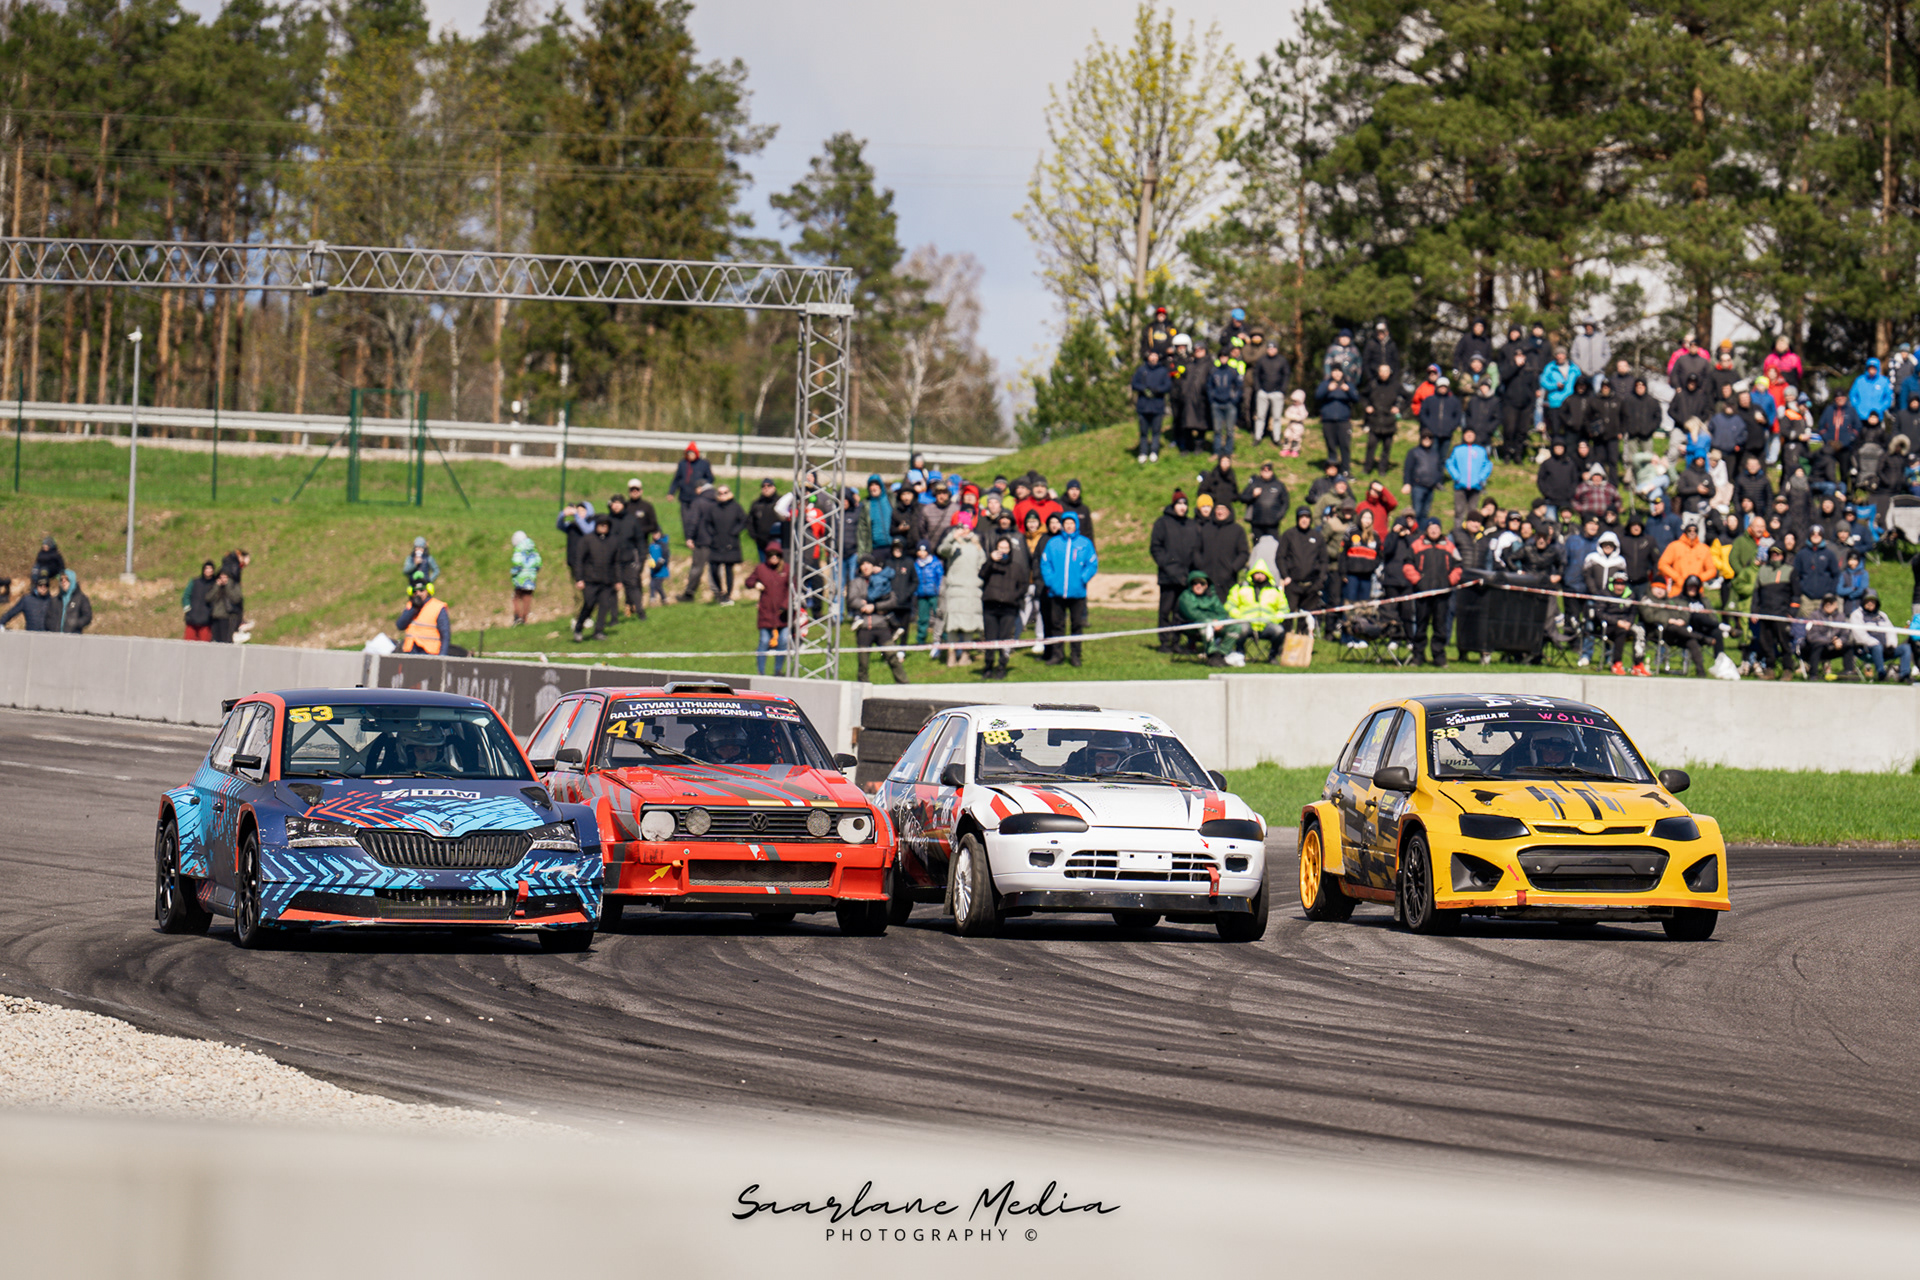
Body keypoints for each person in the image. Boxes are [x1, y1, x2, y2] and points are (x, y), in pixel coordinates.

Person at [1401, 516, 1462, 666]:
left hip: (1442, 594)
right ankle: (1418, 656)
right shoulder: (1417, 545)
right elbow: (1407, 565)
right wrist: (1418, 581)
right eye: (1431, 528)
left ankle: (1439, 657)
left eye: (1436, 528)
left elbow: (1458, 567)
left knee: (1440, 627)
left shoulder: (1449, 546)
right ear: (1426, 530)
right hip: (1423, 592)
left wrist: (1449, 581)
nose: (1434, 531)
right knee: (1420, 626)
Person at [1039, 512, 1096, 666]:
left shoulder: (1085, 543)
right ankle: (1057, 655)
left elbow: (1092, 563)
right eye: (1066, 523)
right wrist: (1051, 581)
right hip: (1056, 592)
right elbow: (1045, 563)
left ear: (1076, 525)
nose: (1069, 526)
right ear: (1062, 525)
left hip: (1077, 593)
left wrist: (1083, 578)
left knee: (1076, 625)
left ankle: (1076, 655)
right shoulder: (1053, 543)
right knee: (1057, 624)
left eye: (1072, 523)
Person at [1150, 491, 1202, 652]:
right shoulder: (1162, 523)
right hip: (1168, 576)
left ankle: (1176, 641)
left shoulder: (1192, 525)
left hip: (1185, 577)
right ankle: (1164, 642)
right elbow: (1156, 548)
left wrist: (1192, 572)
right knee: (1166, 610)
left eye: (1185, 504)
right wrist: (1169, 567)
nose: (1182, 507)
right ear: (1173, 505)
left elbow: (1197, 549)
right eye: (1179, 503)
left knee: (1180, 611)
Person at [853, 557, 912, 684]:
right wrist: (864, 606)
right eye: (863, 564)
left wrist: (875, 607)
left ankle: (904, 685)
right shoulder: (856, 582)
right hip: (864, 628)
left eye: (868, 563)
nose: (865, 567)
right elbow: (852, 600)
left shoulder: (883, 580)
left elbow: (892, 601)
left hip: (881, 626)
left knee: (892, 657)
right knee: (863, 664)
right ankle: (862, 688)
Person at [977, 533, 1027, 680]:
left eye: (1006, 548)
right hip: (991, 606)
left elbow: (1023, 586)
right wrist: (990, 560)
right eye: (1000, 547)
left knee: (1004, 638)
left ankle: (1002, 666)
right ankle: (988, 666)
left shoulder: (1016, 567)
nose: (1003, 550)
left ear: (1010, 550)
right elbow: (982, 574)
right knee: (990, 638)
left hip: (1008, 608)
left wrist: (1014, 597)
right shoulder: (990, 564)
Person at [1176, 569, 1245, 667]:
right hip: (1193, 627)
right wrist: (1212, 622)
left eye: (1202, 583)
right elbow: (1193, 614)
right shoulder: (1185, 597)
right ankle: (1211, 654)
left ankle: (1221, 654)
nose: (1198, 586)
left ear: (1206, 585)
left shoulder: (1212, 596)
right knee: (1206, 623)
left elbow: (1221, 612)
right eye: (1195, 583)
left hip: (1215, 625)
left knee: (1235, 627)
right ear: (1191, 584)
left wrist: (1219, 622)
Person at [744, 542, 793, 676]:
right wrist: (755, 584)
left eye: (776, 555)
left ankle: (778, 670)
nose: (774, 557)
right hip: (766, 612)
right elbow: (748, 582)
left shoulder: (787, 569)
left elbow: (792, 590)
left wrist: (785, 606)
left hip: (783, 614)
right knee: (764, 641)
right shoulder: (761, 569)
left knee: (783, 641)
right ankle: (761, 672)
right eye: (771, 555)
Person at [1227, 559, 1288, 663]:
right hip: (1246, 623)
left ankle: (1272, 656)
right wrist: (1239, 617)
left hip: (1267, 624)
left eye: (1262, 574)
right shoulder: (1240, 588)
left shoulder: (1276, 591)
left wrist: (1276, 619)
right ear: (1252, 574)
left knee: (1279, 630)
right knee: (1241, 629)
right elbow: (1230, 605)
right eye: (1257, 573)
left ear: (1267, 575)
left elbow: (1284, 609)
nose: (1259, 576)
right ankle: (1240, 653)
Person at [1275, 506, 1325, 634]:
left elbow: (1324, 561)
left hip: (1311, 585)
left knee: (1305, 619)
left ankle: (1302, 641)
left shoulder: (1317, 537)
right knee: (1288, 615)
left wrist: (1320, 581)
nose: (1304, 520)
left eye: (1307, 517)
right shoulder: (1288, 535)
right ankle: (1284, 640)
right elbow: (1280, 557)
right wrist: (1285, 576)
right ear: (1297, 519)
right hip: (1292, 584)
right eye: (1301, 517)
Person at [572, 513, 621, 641]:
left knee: (604, 606)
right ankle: (578, 628)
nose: (603, 527)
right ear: (596, 526)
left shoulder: (614, 541)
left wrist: (618, 580)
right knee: (589, 604)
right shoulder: (587, 540)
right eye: (601, 525)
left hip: (607, 580)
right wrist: (579, 578)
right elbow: (579, 560)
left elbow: (616, 562)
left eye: (606, 525)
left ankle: (598, 631)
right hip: (590, 580)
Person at [1636, 578, 1700, 676]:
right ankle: (1701, 637)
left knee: (1691, 641)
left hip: (1673, 633)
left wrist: (1681, 620)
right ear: (1651, 588)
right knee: (1676, 629)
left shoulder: (1670, 601)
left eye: (1662, 588)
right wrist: (1668, 620)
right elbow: (1649, 617)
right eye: (1657, 587)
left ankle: (1701, 671)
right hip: (1655, 632)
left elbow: (1679, 613)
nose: (1660, 590)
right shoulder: (1646, 600)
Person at [1751, 542, 1796, 677]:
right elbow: (1756, 593)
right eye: (1773, 553)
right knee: (1766, 642)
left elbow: (1796, 594)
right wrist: (1754, 611)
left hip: (1782, 614)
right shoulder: (1763, 570)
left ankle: (1787, 669)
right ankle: (1770, 668)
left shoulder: (1790, 570)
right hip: (1765, 613)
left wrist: (1792, 612)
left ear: (1783, 555)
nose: (1775, 556)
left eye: (1778, 554)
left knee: (1784, 642)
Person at [1195, 500, 1251, 608]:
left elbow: (1244, 553)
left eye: (1223, 509)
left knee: (1227, 609)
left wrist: (1233, 568)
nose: (1220, 512)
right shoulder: (1206, 528)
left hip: (1228, 579)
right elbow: (1196, 550)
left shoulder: (1237, 530)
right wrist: (1201, 566)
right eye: (1218, 509)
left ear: (1229, 511)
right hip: (1207, 579)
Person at [1848, 592, 1911, 683]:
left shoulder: (1882, 615)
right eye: (1868, 601)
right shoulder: (1857, 615)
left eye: (1873, 601)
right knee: (1877, 647)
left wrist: (1891, 645)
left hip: (1885, 649)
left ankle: (1904, 675)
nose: (1870, 603)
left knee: (1905, 648)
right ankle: (1881, 674)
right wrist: (1875, 643)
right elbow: (1859, 635)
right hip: (1866, 649)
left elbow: (1891, 631)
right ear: (1863, 602)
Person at [705, 484, 748, 604]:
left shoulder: (736, 507)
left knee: (729, 570)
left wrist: (734, 532)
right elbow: (707, 523)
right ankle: (720, 592)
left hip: (730, 543)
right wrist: (712, 534)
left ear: (729, 493)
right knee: (713, 568)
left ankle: (728, 595)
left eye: (725, 492)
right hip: (716, 543)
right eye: (720, 493)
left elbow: (744, 521)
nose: (722, 495)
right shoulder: (713, 508)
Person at [1131, 348, 1174, 462]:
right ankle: (1143, 452)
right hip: (1143, 406)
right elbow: (1134, 384)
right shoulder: (1141, 370)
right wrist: (1144, 389)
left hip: (1157, 406)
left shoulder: (1163, 371)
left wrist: (1157, 390)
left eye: (1155, 356)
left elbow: (1168, 386)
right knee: (1143, 432)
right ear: (1148, 357)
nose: (1153, 358)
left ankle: (1154, 451)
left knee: (1156, 431)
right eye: (1151, 356)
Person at [1361, 363, 1404, 473]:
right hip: (1374, 421)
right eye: (1382, 371)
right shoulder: (1372, 384)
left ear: (1390, 373)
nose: (1384, 374)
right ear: (1378, 373)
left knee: (1386, 448)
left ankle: (1382, 469)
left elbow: (1407, 397)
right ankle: (1367, 468)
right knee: (1371, 446)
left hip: (1389, 422)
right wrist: (1367, 406)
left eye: (1386, 371)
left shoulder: (1396, 385)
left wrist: (1399, 408)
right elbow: (1362, 395)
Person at [1445, 426, 1491, 526]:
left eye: (1471, 434)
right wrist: (1456, 477)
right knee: (1459, 511)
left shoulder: (1481, 450)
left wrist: (1481, 478)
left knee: (1472, 512)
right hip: (1460, 486)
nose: (1469, 436)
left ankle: (1471, 530)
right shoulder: (1457, 449)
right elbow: (1450, 463)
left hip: (1476, 486)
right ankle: (1457, 531)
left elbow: (1487, 465)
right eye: (1467, 434)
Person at [1315, 365, 1357, 471]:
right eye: (1334, 371)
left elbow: (1356, 399)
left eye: (1339, 371)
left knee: (1345, 446)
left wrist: (1348, 390)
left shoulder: (1348, 384)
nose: (1337, 373)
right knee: (1331, 446)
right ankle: (1333, 471)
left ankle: (1345, 470)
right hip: (1328, 420)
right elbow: (1317, 396)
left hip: (1344, 421)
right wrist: (1327, 390)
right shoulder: (1325, 384)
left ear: (1343, 373)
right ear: (1331, 373)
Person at [1801, 594, 1852, 681]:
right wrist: (1831, 641)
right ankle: (1813, 675)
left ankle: (1848, 673)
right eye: (1826, 602)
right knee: (1818, 645)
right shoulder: (1815, 615)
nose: (1828, 604)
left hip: (1833, 647)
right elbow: (1812, 636)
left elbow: (1845, 633)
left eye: (1831, 602)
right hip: (1815, 648)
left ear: (1836, 605)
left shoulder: (1841, 616)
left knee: (1848, 646)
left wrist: (1840, 641)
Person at [668, 443, 715, 538]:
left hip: (698, 498)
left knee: (696, 519)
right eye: (688, 454)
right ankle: (688, 539)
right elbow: (676, 479)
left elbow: (710, 478)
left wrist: (702, 486)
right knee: (686, 520)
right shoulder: (683, 464)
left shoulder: (704, 464)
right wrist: (671, 493)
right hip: (684, 497)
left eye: (692, 453)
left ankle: (697, 538)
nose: (690, 456)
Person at [1249, 341, 1292, 444]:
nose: (1271, 350)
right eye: (1269, 348)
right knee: (1260, 416)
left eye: (1273, 348)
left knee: (1276, 417)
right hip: (1263, 392)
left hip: (1277, 393)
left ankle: (1276, 438)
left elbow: (1286, 375)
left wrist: (1282, 390)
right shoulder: (1262, 360)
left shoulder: (1282, 360)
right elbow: (1256, 374)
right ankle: (1258, 437)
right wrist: (1258, 389)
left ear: (1276, 349)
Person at [398, 576, 452, 654]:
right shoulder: (411, 606)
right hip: (411, 652)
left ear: (428, 590)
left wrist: (442, 656)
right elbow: (400, 625)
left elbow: (445, 635)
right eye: (415, 591)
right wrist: (413, 608)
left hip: (429, 653)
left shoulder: (438, 607)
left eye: (421, 590)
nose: (418, 594)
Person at [1205, 350, 1244, 456]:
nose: (1223, 359)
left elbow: (1239, 386)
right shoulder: (1214, 371)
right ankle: (1217, 452)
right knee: (1217, 429)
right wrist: (1212, 398)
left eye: (1225, 357)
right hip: (1216, 404)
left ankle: (1228, 452)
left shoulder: (1233, 371)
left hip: (1230, 404)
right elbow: (1209, 386)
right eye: (1221, 357)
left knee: (1229, 430)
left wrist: (1234, 399)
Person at [1400, 431, 1444, 522]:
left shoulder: (1435, 453)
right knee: (1417, 512)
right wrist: (1407, 483)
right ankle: (1415, 528)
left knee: (1425, 512)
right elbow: (1408, 469)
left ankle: (1422, 528)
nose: (1427, 440)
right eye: (1424, 437)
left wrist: (1437, 480)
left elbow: (1439, 468)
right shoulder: (1414, 452)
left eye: (1429, 438)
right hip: (1418, 486)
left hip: (1430, 487)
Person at [1537, 438, 1577, 522]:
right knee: (1551, 522)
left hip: (1566, 500)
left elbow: (1574, 480)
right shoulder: (1547, 463)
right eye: (1557, 447)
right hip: (1550, 500)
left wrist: (1570, 493)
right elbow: (1541, 480)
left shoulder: (1570, 464)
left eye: (1561, 447)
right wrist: (1547, 493)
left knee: (1565, 524)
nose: (1559, 449)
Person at [509, 531, 541, 626]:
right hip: (531, 577)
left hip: (521, 577)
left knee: (516, 596)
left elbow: (517, 562)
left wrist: (514, 571)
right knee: (527, 597)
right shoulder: (533, 549)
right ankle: (525, 618)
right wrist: (533, 571)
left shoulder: (519, 549)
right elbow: (539, 563)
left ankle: (517, 617)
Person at [747, 478, 783, 561]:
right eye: (763, 486)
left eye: (769, 486)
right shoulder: (757, 504)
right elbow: (750, 521)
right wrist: (754, 536)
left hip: (777, 540)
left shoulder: (780, 502)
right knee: (763, 565)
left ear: (774, 488)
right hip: (761, 541)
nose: (766, 488)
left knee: (777, 564)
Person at [182, 561, 217, 642]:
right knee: (188, 644)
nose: (208, 571)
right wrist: (187, 609)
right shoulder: (195, 582)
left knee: (204, 645)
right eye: (206, 568)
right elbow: (186, 596)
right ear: (203, 570)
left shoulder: (215, 584)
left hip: (206, 621)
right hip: (192, 620)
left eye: (210, 569)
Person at [207, 569, 240, 644]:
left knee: (226, 640)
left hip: (227, 617)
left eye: (225, 577)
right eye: (221, 577)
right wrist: (216, 586)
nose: (223, 579)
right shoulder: (215, 586)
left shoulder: (233, 586)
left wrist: (228, 586)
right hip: (215, 616)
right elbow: (208, 598)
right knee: (215, 640)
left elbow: (236, 599)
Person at [1279, 388, 1309, 457]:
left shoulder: (1302, 408)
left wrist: (1295, 417)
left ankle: (1295, 450)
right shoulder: (1292, 407)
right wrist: (1290, 416)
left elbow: (1303, 416)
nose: (1295, 402)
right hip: (1291, 424)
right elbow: (1287, 413)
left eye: (1296, 400)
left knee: (1296, 437)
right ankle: (1286, 448)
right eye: (1294, 400)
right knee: (1287, 435)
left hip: (1298, 425)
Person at [647, 529, 672, 607]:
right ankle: (662, 599)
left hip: (661, 569)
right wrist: (651, 564)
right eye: (653, 534)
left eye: (656, 533)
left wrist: (659, 564)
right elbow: (649, 555)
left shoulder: (663, 544)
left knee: (655, 584)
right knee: (654, 585)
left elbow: (665, 556)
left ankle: (654, 599)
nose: (655, 535)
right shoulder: (651, 545)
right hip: (654, 569)